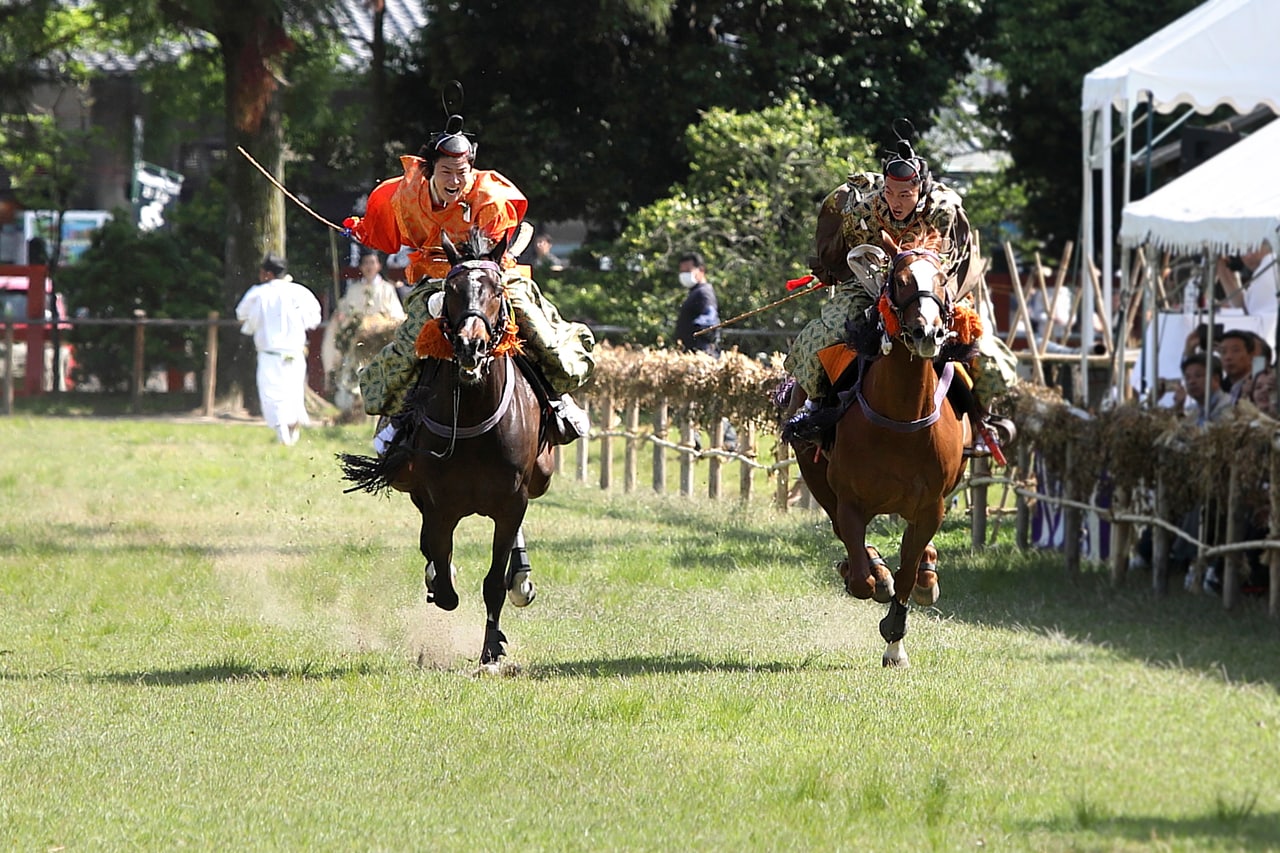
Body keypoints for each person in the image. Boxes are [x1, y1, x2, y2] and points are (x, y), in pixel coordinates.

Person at [341, 114, 594, 448]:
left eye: (462, 173)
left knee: (532, 322)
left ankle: (558, 396)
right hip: (436, 277)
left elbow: (495, 251)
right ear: (429, 170)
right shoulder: (406, 193)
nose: (455, 180)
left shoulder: (489, 196)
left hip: (492, 272)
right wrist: (359, 230)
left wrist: (486, 276)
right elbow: (382, 225)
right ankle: (400, 418)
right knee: (412, 337)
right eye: (447, 171)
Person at [782, 130, 1019, 456]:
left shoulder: (942, 210)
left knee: (983, 346)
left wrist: (932, 291)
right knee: (820, 334)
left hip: (931, 288)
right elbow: (847, 251)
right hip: (869, 286)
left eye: (905, 194)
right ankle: (813, 407)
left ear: (919, 190)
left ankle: (983, 418)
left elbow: (949, 256)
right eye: (891, 193)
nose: (896, 202)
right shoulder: (864, 210)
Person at [235, 253, 323, 446]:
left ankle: (284, 434)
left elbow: (241, 314)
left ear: (266, 273)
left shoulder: (258, 293)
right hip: (295, 352)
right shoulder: (300, 292)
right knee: (292, 393)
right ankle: (289, 435)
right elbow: (314, 319)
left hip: (270, 353)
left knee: (273, 394)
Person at [321, 250, 407, 414]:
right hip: (357, 341)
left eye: (372, 263)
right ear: (361, 266)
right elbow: (345, 310)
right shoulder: (354, 289)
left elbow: (396, 315)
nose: (369, 267)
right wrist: (342, 315)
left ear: (379, 265)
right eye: (366, 263)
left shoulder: (387, 289)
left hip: (380, 339)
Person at [673, 251, 721, 356]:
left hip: (701, 354)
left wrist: (696, 329)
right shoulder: (694, 293)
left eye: (688, 271)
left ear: (701, 270)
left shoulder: (704, 293)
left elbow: (709, 320)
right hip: (689, 353)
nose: (684, 275)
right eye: (682, 272)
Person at [1216, 244, 1278, 315]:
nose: (1242, 258)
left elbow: (1246, 311)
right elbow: (1243, 305)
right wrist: (1224, 272)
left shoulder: (1268, 266)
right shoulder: (1269, 264)